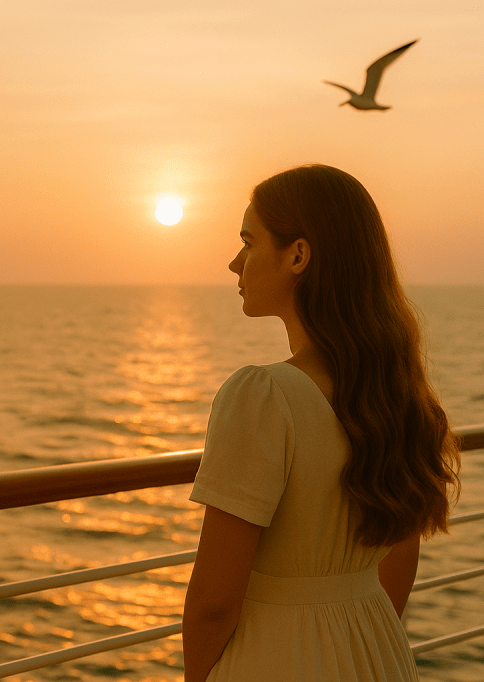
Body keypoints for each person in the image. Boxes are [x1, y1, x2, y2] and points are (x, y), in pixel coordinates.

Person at [182, 164, 460, 681]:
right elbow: (399, 562)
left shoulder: (264, 396)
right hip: (375, 651)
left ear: (298, 255)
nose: (233, 262)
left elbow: (215, 602)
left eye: (249, 241)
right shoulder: (393, 390)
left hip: (275, 659)